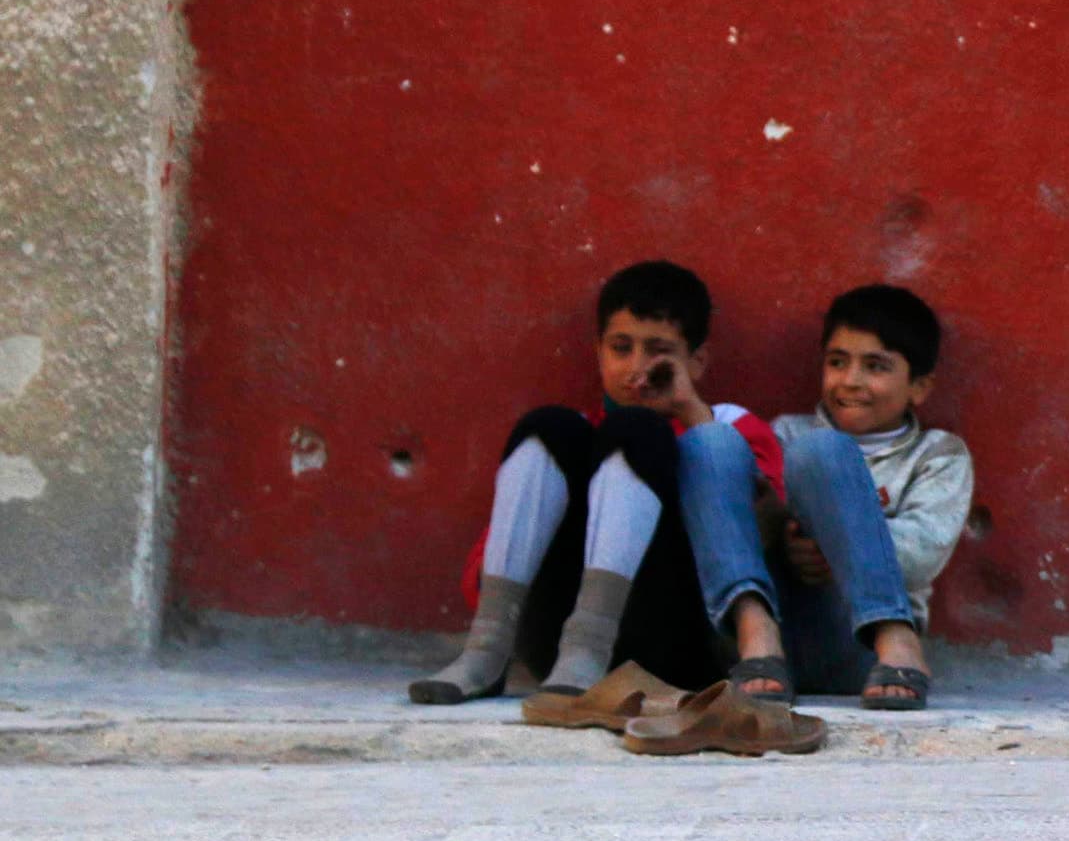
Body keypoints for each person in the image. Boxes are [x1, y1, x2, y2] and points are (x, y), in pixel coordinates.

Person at [409, 260, 783, 703]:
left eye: (657, 352)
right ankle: (487, 650)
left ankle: (591, 642)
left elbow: (761, 536)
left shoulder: (728, 426)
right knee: (548, 423)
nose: (635, 368)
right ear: (598, 351)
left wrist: (687, 410)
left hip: (678, 639)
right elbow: (481, 572)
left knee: (639, 431)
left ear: (696, 362)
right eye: (620, 348)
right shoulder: (575, 441)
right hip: (556, 654)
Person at [677, 282, 974, 711]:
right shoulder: (784, 434)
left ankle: (895, 635)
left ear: (920, 387)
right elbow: (733, 534)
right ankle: (753, 627)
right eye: (838, 362)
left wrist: (832, 549)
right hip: (759, 648)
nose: (850, 382)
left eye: (876, 366)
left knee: (826, 450)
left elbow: (923, 552)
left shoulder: (937, 455)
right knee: (708, 442)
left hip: (865, 653)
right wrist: (778, 529)